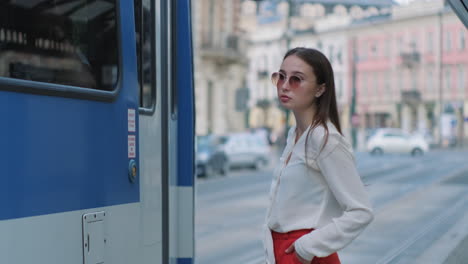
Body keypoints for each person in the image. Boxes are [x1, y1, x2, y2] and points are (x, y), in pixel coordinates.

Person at [263, 47, 374, 264]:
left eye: (296, 79)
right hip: (284, 253)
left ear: (320, 89)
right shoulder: (295, 135)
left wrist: (306, 248)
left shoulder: (324, 139)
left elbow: (361, 212)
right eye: (281, 76)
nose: (284, 86)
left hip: (305, 256)